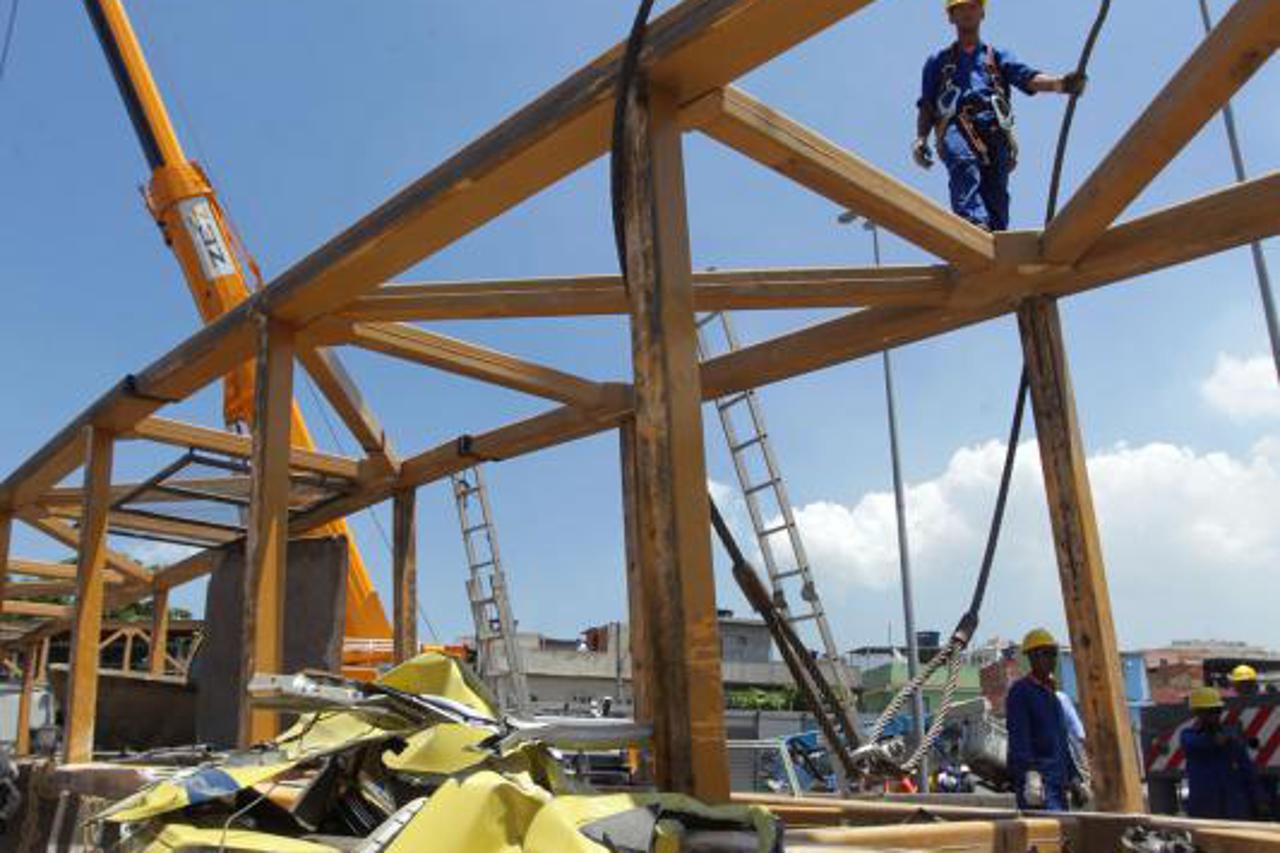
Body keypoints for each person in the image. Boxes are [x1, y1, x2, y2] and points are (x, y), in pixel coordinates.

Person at [913, 0, 1087, 231]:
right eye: (960, 8)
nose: (967, 12)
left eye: (972, 6)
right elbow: (927, 105)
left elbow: (1027, 77)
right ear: (951, 17)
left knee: (995, 187)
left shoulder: (997, 57)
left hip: (994, 127)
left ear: (982, 13)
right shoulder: (939, 62)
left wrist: (1060, 84)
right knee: (963, 163)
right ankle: (973, 225)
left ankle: (995, 236)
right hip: (956, 124)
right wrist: (921, 138)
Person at [1006, 628, 1079, 811]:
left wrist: (1074, 778)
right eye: (1045, 654)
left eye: (1053, 654)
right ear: (1032, 657)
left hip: (1058, 784)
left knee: (1063, 835)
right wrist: (1030, 773)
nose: (1051, 659)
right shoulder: (1021, 692)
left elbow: (1061, 741)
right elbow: (1019, 736)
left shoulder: (1052, 696)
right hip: (1038, 784)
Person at [1181, 686, 1263, 820]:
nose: (1215, 715)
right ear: (1198, 713)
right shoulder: (1189, 737)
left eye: (1217, 711)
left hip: (1234, 808)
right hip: (1204, 809)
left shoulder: (1230, 738)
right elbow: (1203, 744)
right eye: (1210, 712)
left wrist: (1259, 799)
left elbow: (1247, 768)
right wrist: (1219, 738)